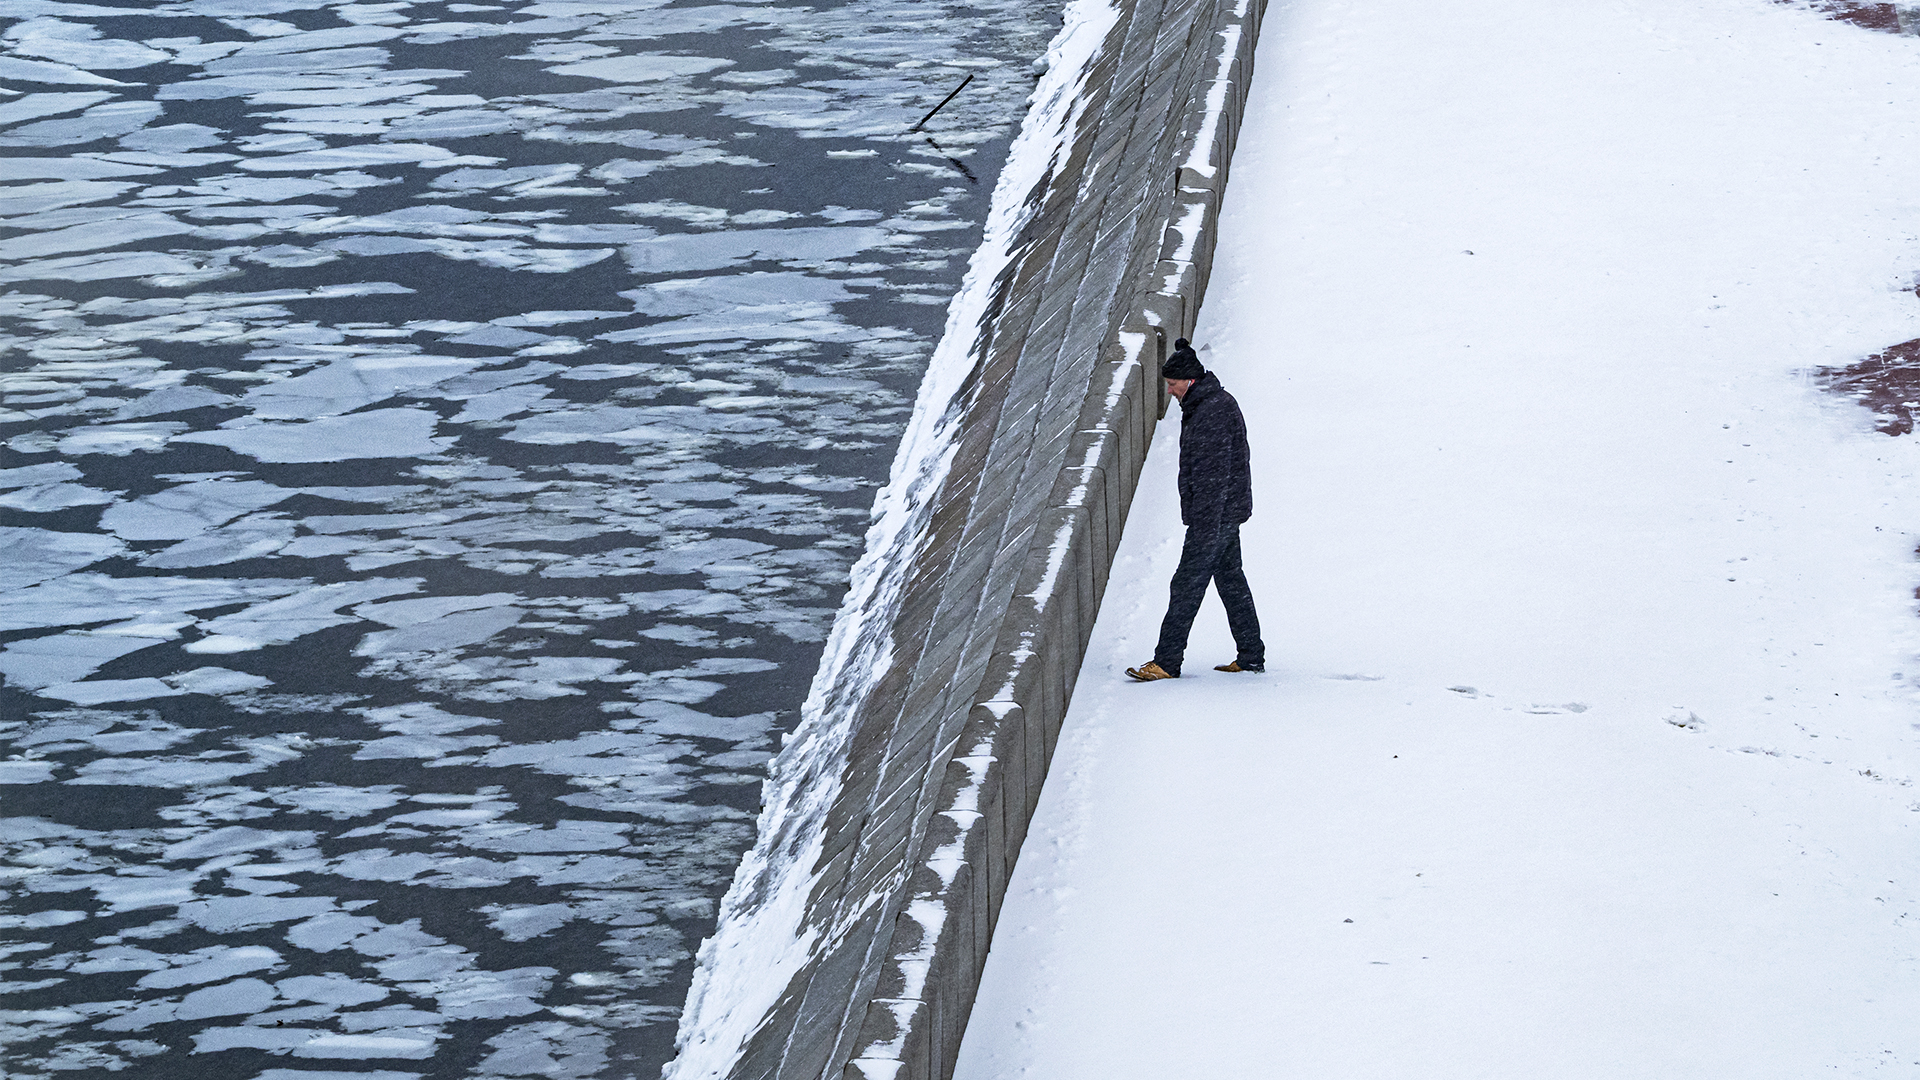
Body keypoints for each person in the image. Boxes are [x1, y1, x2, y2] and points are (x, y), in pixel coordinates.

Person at [1126, 338, 1265, 681]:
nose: (1170, 391)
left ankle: (1167, 661)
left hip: (1213, 517)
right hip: (1223, 514)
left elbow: (1212, 475)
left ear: (1189, 380)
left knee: (1186, 585)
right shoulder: (1209, 404)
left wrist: (1203, 524)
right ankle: (1250, 656)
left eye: (1172, 385)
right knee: (1231, 581)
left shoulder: (1211, 412)